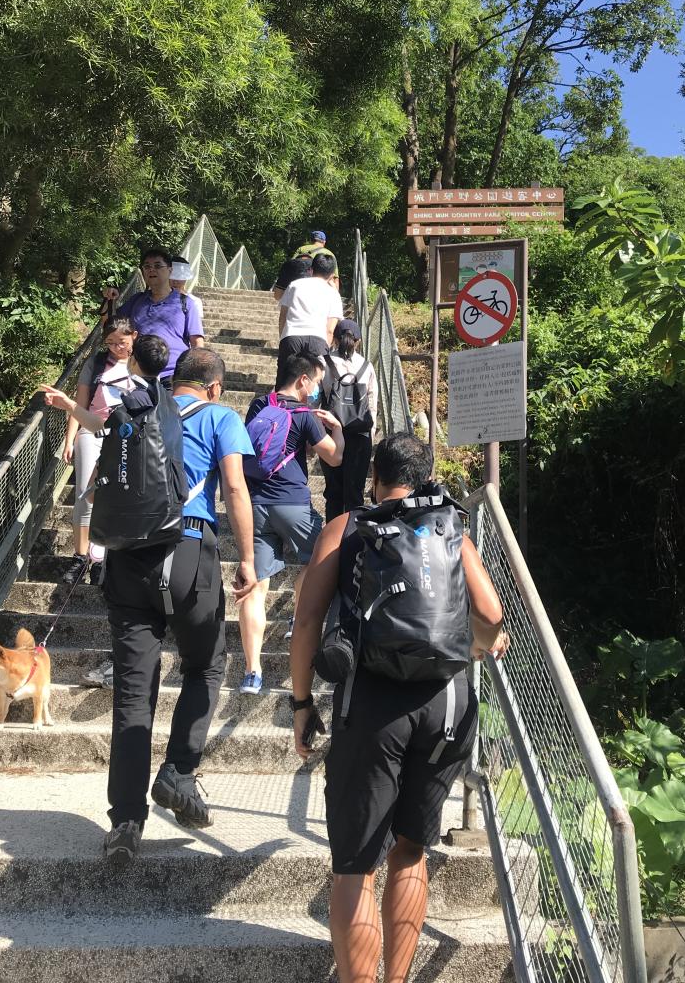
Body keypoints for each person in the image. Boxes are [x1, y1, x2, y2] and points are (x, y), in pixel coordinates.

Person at [289, 433, 507, 983]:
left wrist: (300, 703)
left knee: (356, 866)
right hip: (449, 704)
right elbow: (492, 613)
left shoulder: (347, 528)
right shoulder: (451, 529)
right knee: (410, 853)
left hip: (374, 705)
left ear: (375, 476)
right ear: (428, 474)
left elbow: (307, 621)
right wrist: (477, 644)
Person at [43, 344, 258, 863]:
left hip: (130, 562)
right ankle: (179, 773)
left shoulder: (129, 411)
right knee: (206, 665)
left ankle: (125, 824)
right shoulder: (220, 417)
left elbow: (97, 483)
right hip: (189, 554)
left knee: (134, 695)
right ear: (213, 387)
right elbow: (233, 486)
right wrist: (247, 559)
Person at [238, 352, 344, 694]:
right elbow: (335, 456)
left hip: (254, 505)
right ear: (302, 380)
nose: (316, 390)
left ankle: (252, 672)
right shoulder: (304, 414)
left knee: (254, 586)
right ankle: (298, 617)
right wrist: (337, 430)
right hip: (294, 505)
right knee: (322, 560)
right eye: (315, 382)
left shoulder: (258, 406)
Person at [60, 317, 139, 585]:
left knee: (116, 497)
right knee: (85, 494)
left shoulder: (141, 365)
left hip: (124, 437)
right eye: (111, 343)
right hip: (91, 433)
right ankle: (80, 557)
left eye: (123, 342)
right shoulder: (95, 364)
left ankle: (101, 559)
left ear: (135, 337)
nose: (117, 348)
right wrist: (69, 439)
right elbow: (79, 405)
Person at [102, 248, 204, 385]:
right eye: (147, 266)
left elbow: (197, 343)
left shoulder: (186, 303)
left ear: (170, 270)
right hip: (137, 373)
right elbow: (109, 325)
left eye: (157, 266)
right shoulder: (136, 300)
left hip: (172, 376)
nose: (151, 270)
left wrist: (194, 376)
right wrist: (109, 299)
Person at [320, 319, 378, 522]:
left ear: (334, 338)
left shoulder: (323, 362)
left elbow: (315, 398)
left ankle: (331, 538)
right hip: (360, 435)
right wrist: (370, 435)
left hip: (331, 433)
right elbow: (372, 404)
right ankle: (353, 540)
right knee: (355, 493)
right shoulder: (367, 366)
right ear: (358, 341)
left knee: (333, 491)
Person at [277, 252, 343, 372]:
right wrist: (324, 351)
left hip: (292, 336)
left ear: (311, 270)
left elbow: (283, 317)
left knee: (285, 380)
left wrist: (283, 339)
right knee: (315, 384)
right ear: (332, 275)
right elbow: (329, 330)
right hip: (318, 340)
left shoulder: (294, 285)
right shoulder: (334, 294)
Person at [169, 260, 205, 336]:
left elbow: (195, 330)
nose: (175, 281)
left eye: (179, 277)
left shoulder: (194, 301)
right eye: (172, 276)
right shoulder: (157, 298)